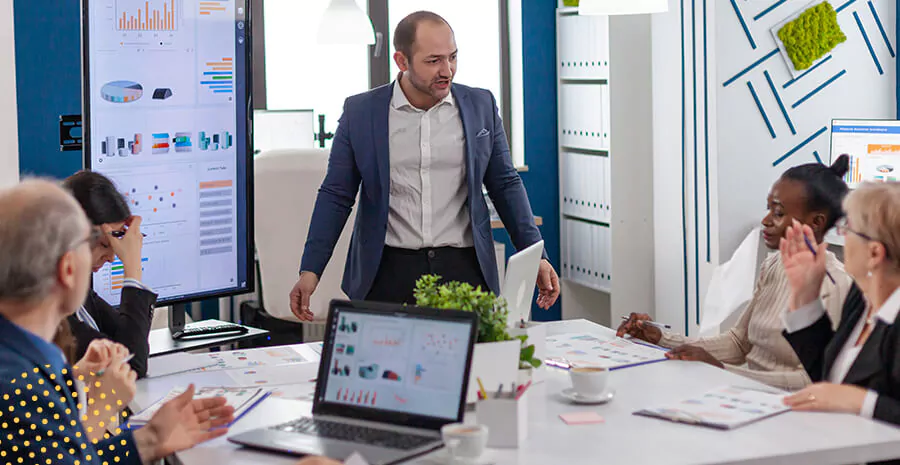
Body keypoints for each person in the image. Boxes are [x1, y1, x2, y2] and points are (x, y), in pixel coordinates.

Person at [290, 10, 559, 320]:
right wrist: (311, 270)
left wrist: (536, 254)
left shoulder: (480, 105)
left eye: (453, 57)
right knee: (383, 367)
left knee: (470, 367)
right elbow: (336, 195)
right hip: (386, 272)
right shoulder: (360, 113)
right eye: (433, 61)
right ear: (401, 61)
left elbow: (505, 184)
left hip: (465, 271)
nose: (447, 70)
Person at [0, 179, 234, 465]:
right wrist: (102, 406)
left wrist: (150, 439)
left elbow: (61, 457)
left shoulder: (21, 357)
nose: (110, 258)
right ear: (69, 268)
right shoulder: (19, 385)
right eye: (96, 245)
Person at [617, 157, 853, 390]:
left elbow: (811, 381)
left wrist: (721, 371)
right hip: (747, 397)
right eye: (768, 209)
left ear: (816, 222)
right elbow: (739, 343)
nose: (766, 220)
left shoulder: (836, 286)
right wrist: (660, 338)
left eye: (779, 213)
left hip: (789, 410)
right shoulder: (774, 265)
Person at [781, 182, 900, 429]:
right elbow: (830, 379)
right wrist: (805, 294)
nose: (842, 236)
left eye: (847, 229)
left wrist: (861, 401)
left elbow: (846, 395)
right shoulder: (861, 295)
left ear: (875, 253)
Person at [61, 170, 157, 378]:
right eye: (106, 244)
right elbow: (132, 366)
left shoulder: (81, 294)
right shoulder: (51, 309)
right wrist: (132, 268)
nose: (112, 258)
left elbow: (128, 351)